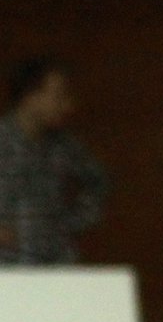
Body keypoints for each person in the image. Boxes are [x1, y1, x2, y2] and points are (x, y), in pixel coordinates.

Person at [0, 56, 108, 265]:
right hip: (7, 267)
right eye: (59, 96)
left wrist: (71, 223)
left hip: (56, 264)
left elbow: (98, 181)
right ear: (31, 96)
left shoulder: (65, 146)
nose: (67, 106)